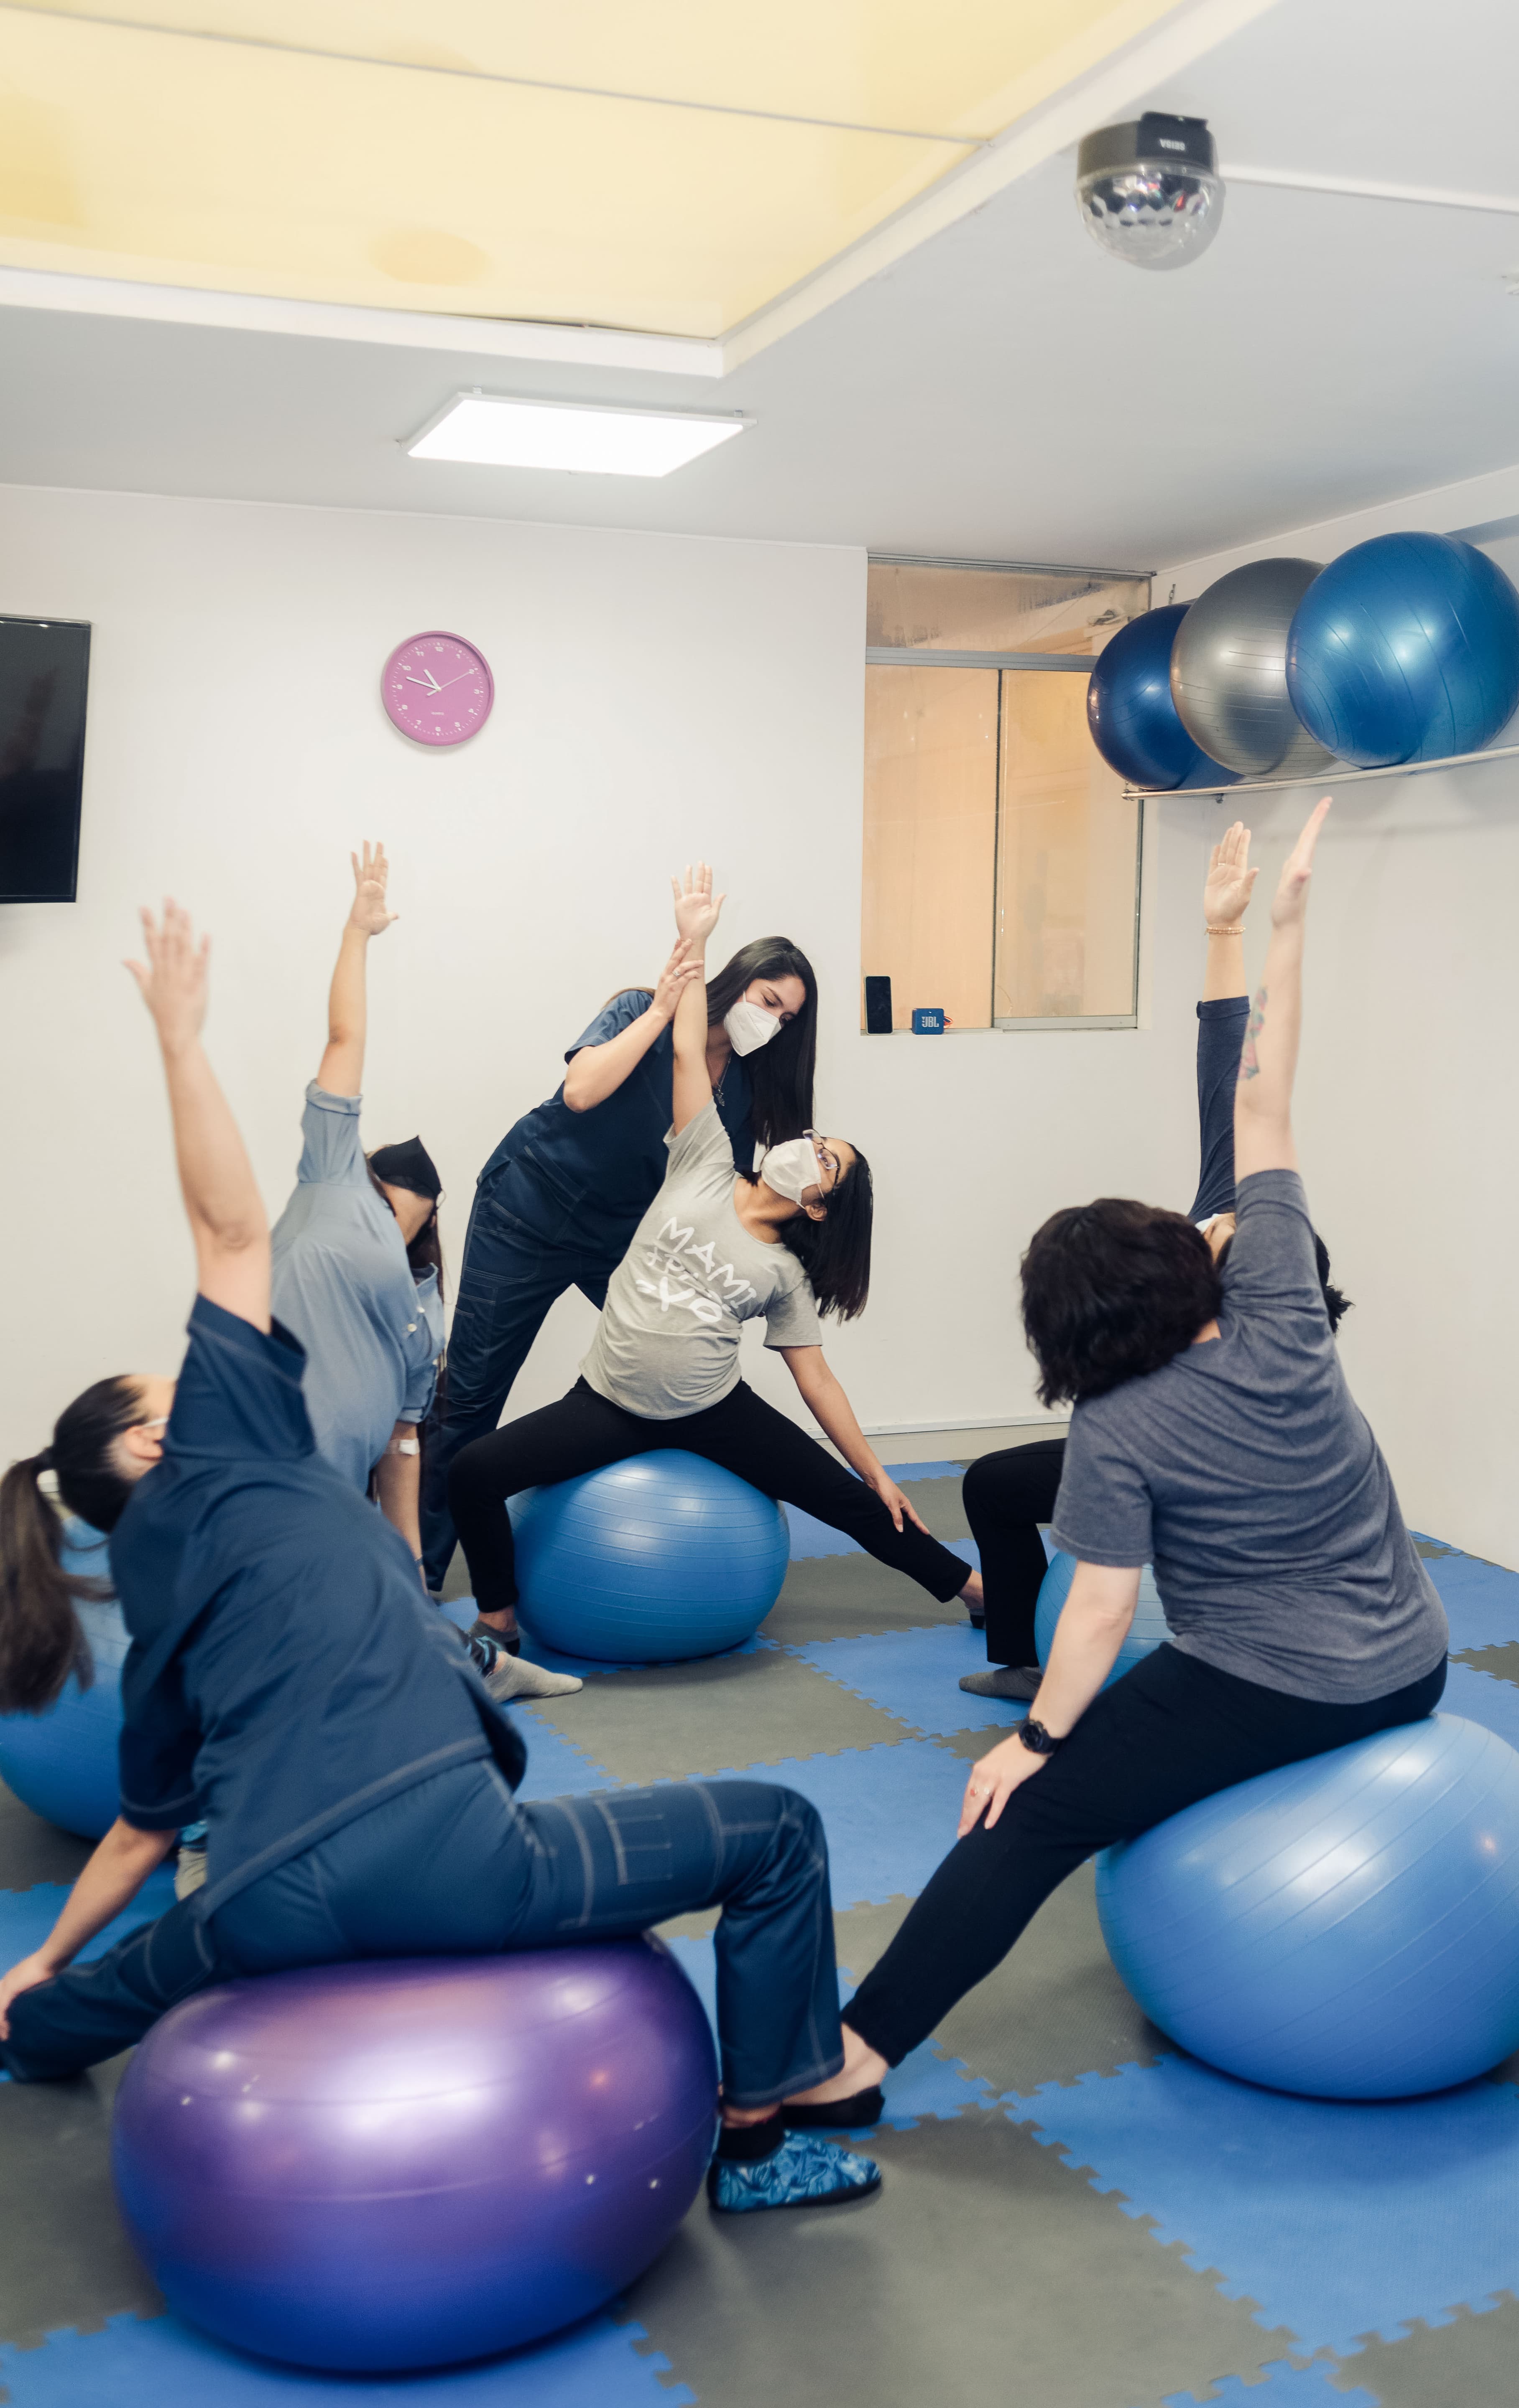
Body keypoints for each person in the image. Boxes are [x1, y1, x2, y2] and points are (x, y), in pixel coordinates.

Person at [0, 899, 881, 2216]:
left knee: (107, 1990)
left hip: (257, 1909)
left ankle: (23, 2027)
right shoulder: (248, 1442)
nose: (188, 1364)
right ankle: (758, 2141)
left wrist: (45, 1961)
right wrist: (181, 1044)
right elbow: (233, 1232)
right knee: (779, 1831)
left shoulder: (154, 1579)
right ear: (155, 1436)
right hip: (461, 1865)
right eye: (163, 1379)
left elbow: (140, 1830)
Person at [785, 800, 1452, 2122]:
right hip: (1415, 1666)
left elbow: (1100, 1609)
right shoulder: (1282, 1303)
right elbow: (1263, 1090)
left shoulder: (1117, 1422)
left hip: (1283, 1686)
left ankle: (852, 2066)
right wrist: (1276, 923)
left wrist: (1033, 1743)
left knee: (1016, 1822)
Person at [449, 865, 985, 1648]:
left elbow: (817, 1378)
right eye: (811, 1139)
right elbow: (682, 1061)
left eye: (823, 1161)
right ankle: (496, 1618)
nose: (806, 1147)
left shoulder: (788, 1271)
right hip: (608, 1400)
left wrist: (875, 1468)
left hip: (709, 1408)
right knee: (472, 1467)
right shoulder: (704, 1157)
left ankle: (972, 1588)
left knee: (842, 1497)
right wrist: (692, 945)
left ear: (818, 1205)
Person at [959, 820, 1351, 1701]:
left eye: (1225, 1241)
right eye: (1217, 1227)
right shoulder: (1230, 1197)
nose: (1211, 1228)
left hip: (1232, 1505)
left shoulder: (1269, 1326)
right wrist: (1224, 930)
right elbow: (1231, 1060)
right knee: (992, 1486)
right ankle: (1024, 1656)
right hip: (1146, 1449)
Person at [419, 878, 824, 1599]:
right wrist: (667, 1009)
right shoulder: (640, 1006)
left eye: (788, 1017)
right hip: (528, 1208)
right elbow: (581, 1092)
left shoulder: (746, 1089)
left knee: (678, 1357)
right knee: (477, 1393)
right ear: (737, 982)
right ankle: (422, 1565)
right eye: (768, 1001)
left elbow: (716, 1183)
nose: (774, 1022)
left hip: (621, 1235)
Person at [267, 842, 576, 1712]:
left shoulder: (423, 1297)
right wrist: (358, 933)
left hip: (345, 1494)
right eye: (396, 1193)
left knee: (370, 1623)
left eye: (416, 1207)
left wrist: (408, 1546)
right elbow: (344, 1040)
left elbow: (407, 1434)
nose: (403, 1207)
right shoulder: (328, 1187)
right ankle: (482, 1668)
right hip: (271, 1472)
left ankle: (480, 1665)